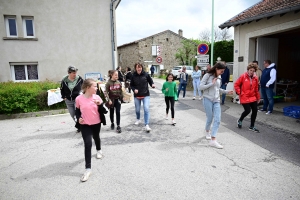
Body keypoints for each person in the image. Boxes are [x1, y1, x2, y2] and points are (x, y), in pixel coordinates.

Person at [75, 78, 103, 182]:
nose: (96, 88)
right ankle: (88, 169)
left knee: (96, 137)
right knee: (88, 144)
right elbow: (77, 111)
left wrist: (100, 104)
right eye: (94, 86)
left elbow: (104, 110)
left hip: (96, 123)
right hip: (85, 125)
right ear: (87, 88)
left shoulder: (97, 97)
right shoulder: (79, 99)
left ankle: (99, 150)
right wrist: (78, 118)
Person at [200, 62, 233, 149]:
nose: (222, 73)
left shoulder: (219, 77)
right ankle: (207, 131)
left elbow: (217, 89)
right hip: (207, 99)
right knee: (210, 118)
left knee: (218, 119)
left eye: (223, 71)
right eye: (221, 71)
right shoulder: (207, 75)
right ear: (216, 69)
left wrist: (227, 91)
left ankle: (213, 140)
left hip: (216, 100)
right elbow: (201, 87)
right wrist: (211, 83)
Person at [234, 63, 260, 133]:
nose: (251, 72)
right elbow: (236, 85)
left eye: (253, 71)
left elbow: (256, 88)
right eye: (250, 70)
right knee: (247, 110)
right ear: (248, 70)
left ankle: (251, 126)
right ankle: (240, 120)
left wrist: (258, 97)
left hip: (253, 97)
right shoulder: (243, 76)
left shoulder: (256, 78)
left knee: (255, 110)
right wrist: (240, 92)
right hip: (244, 96)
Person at [130, 63, 155, 132]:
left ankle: (146, 124)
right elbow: (131, 85)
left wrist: (152, 84)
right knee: (137, 110)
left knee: (146, 109)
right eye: (137, 67)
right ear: (135, 68)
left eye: (140, 67)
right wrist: (134, 89)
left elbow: (150, 81)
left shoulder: (146, 74)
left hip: (145, 95)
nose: (139, 69)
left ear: (142, 68)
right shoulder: (133, 76)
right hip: (137, 96)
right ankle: (138, 119)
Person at [60, 66, 83, 132]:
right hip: (68, 100)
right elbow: (62, 89)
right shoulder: (64, 80)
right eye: (73, 73)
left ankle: (81, 126)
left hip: (77, 99)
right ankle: (79, 125)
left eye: (75, 73)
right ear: (69, 73)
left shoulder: (79, 79)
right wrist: (63, 97)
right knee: (72, 114)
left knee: (77, 113)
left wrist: (82, 94)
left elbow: (84, 86)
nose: (75, 74)